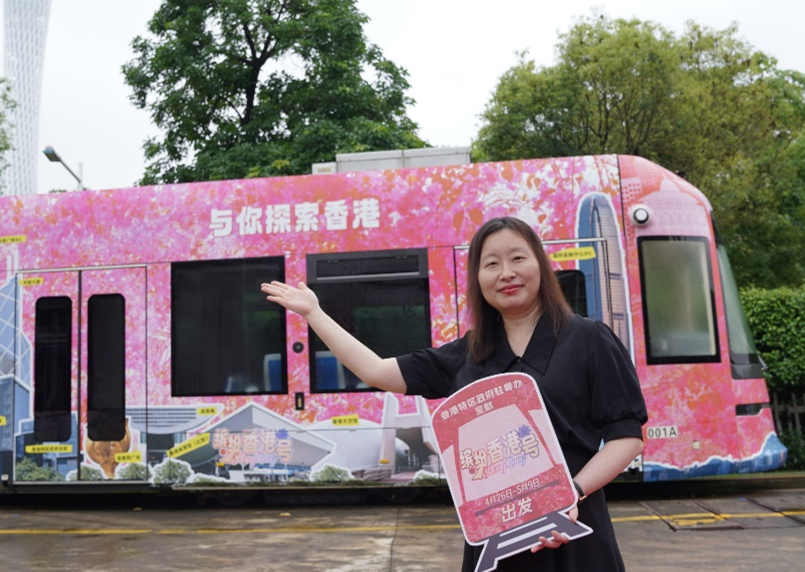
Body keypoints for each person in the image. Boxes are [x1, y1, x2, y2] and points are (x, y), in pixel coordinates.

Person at [262, 216, 647, 571]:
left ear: (541, 266)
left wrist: (567, 496)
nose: (506, 273)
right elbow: (376, 370)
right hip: (496, 544)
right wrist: (315, 313)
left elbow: (627, 437)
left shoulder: (589, 339)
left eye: (517, 258)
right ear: (477, 278)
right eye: (491, 263)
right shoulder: (468, 353)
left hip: (573, 530)